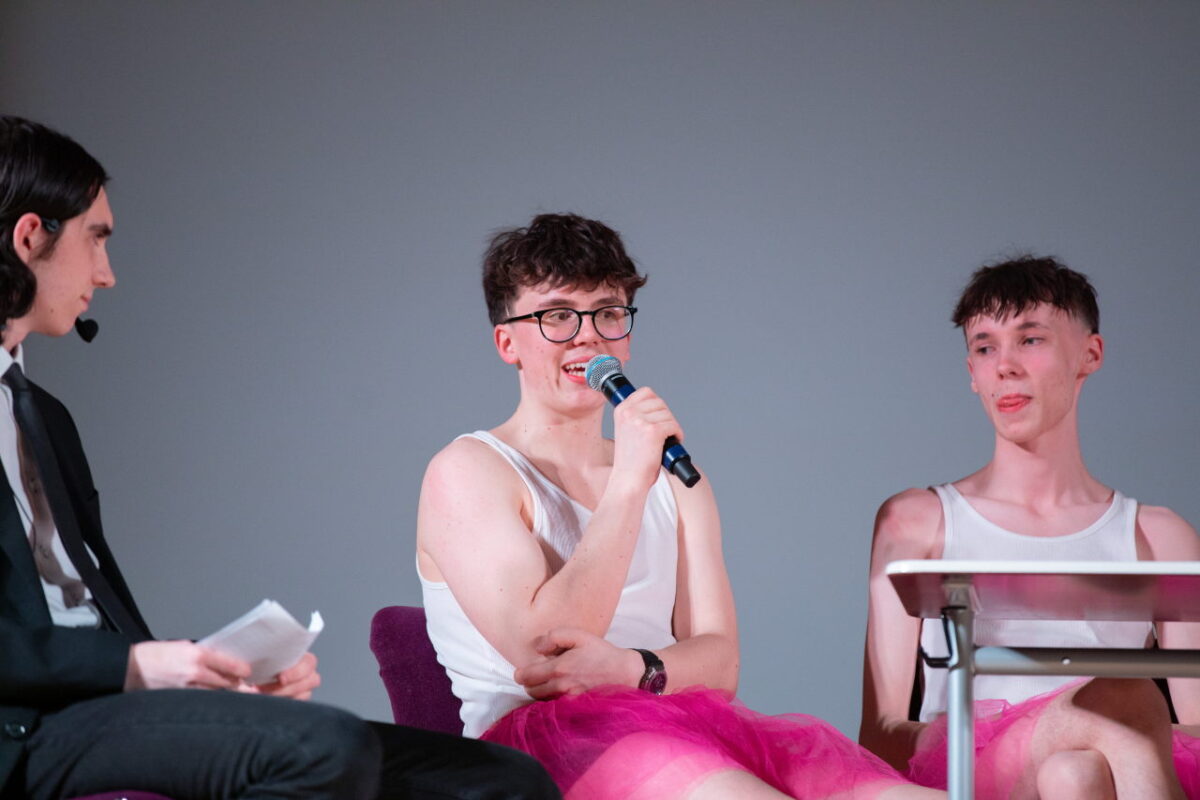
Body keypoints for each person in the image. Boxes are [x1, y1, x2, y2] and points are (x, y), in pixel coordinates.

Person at [0, 115, 560, 800]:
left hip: (111, 710)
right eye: (96, 238)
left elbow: (88, 610)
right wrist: (138, 668)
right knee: (326, 749)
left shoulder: (43, 416)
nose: (106, 274)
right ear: (31, 237)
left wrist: (211, 679)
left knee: (500, 779)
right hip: (25, 730)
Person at [415, 212, 943, 799]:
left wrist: (630, 668)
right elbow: (549, 650)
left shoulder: (677, 480)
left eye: (607, 312)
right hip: (545, 755)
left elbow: (720, 662)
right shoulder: (469, 470)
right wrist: (628, 482)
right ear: (507, 342)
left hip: (681, 725)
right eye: (558, 315)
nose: (587, 335)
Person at [859, 255, 1200, 799]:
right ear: (971, 374)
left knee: (1074, 774)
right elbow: (879, 735)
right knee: (1122, 693)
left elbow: (1196, 732)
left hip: (1106, 778)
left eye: (1030, 340)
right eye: (985, 347)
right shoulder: (917, 521)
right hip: (969, 772)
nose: (1005, 367)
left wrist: (1079, 742)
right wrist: (1042, 725)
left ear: (1090, 354)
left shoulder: (1160, 536)